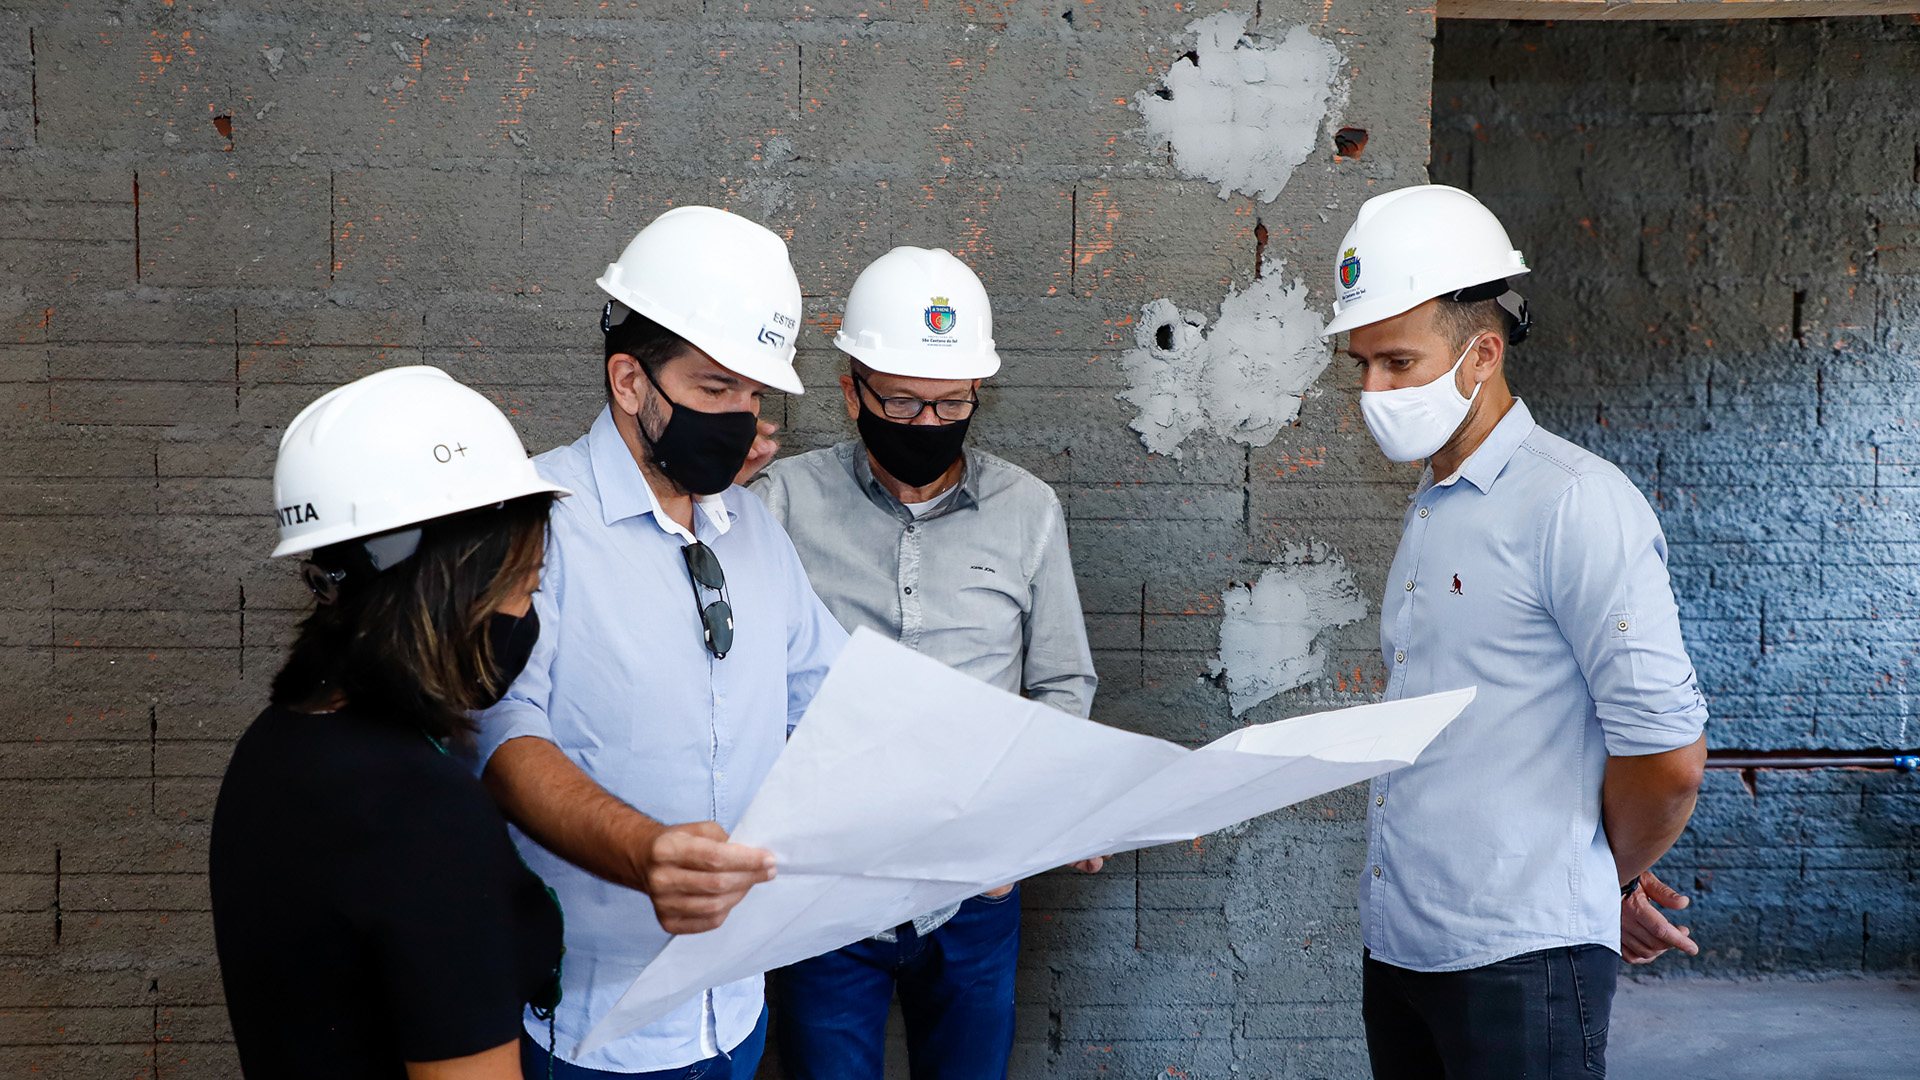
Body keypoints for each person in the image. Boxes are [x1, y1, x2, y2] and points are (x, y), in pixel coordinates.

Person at [1326, 184, 1710, 1079]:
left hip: (1519, 962)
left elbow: (1669, 756)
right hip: (1406, 944)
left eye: (1397, 362)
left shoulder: (1574, 502)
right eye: (1362, 365)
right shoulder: (1437, 502)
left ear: (1482, 354)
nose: (1373, 390)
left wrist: (1601, 879)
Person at [469, 205, 849, 1078]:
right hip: (593, 1030)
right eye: (716, 391)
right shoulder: (535, 522)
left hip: (735, 1013)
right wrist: (644, 852)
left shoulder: (752, 533)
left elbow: (832, 703)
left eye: (755, 394)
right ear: (629, 381)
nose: (742, 417)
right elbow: (500, 735)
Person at [748, 247, 1100, 1080]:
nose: (926, 423)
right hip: (825, 896)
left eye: (950, 403)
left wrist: (1033, 816)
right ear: (850, 392)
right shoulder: (780, 504)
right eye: (901, 400)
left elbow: (1061, 683)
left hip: (974, 898)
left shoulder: (1028, 511)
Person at [210, 365, 572, 1079]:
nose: (529, 619)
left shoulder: (273, 749)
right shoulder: (423, 810)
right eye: (525, 587)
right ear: (455, 587)